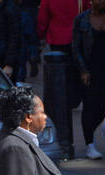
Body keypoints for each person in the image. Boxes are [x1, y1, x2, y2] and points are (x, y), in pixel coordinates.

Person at [72, 0, 105, 160]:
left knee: (101, 108)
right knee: (89, 105)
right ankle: (89, 144)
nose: (102, 2)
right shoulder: (81, 20)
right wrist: (83, 70)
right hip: (88, 69)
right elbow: (76, 47)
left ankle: (90, 134)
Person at [38, 0, 82, 161]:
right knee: (69, 84)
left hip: (56, 39)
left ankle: (63, 143)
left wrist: (41, 35)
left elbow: (42, 20)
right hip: (75, 39)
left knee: (57, 90)